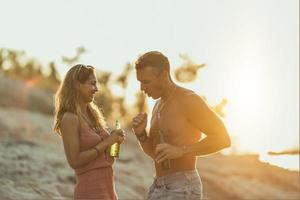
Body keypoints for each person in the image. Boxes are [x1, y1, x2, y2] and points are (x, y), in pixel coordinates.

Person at [132, 51, 231, 200]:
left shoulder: (189, 100)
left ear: (163, 75)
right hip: (158, 186)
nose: (142, 88)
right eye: (140, 82)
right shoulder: (158, 105)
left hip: (183, 187)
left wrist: (182, 151)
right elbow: (155, 154)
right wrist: (141, 135)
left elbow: (223, 139)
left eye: (146, 82)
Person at [53, 64, 125, 200]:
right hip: (90, 192)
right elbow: (74, 161)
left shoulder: (94, 115)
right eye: (92, 84)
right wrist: (107, 142)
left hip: (109, 190)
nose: (96, 89)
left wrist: (115, 142)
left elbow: (108, 157)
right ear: (77, 85)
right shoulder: (70, 118)